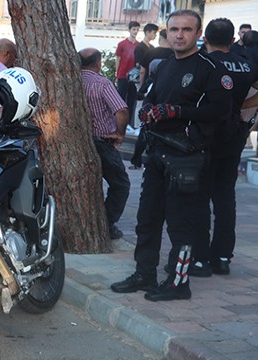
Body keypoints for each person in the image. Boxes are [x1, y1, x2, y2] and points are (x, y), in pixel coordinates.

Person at [110, 10, 233, 302]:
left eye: (186, 30)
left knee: (181, 224)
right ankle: (144, 274)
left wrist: (178, 111)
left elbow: (220, 110)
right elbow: (151, 94)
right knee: (147, 219)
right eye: (174, 30)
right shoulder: (164, 65)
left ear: (198, 34)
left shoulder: (210, 68)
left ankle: (179, 284)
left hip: (187, 157)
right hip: (156, 152)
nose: (179, 35)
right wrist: (147, 107)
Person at [190, 19, 258, 277]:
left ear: (204, 38)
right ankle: (222, 257)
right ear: (232, 40)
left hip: (205, 135)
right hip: (233, 135)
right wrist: (242, 105)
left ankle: (200, 258)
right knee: (225, 198)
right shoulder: (247, 64)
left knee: (200, 198)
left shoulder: (203, 63)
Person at [79, 48, 131, 240]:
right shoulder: (102, 83)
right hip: (102, 141)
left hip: (78, 143)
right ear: (99, 63)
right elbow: (121, 110)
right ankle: (107, 224)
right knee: (121, 184)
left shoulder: (69, 81)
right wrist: (120, 133)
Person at [131, 29, 175, 169]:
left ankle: (137, 160)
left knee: (146, 127)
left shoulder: (151, 53)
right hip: (169, 94)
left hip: (151, 91)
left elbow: (143, 71)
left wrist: (142, 89)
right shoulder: (175, 54)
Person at [116, 21, 140, 125]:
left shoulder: (139, 46)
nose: (135, 31)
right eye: (134, 29)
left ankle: (128, 123)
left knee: (131, 100)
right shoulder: (122, 44)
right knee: (120, 100)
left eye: (137, 29)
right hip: (122, 75)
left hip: (134, 78)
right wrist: (117, 75)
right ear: (129, 30)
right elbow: (118, 59)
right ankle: (118, 122)